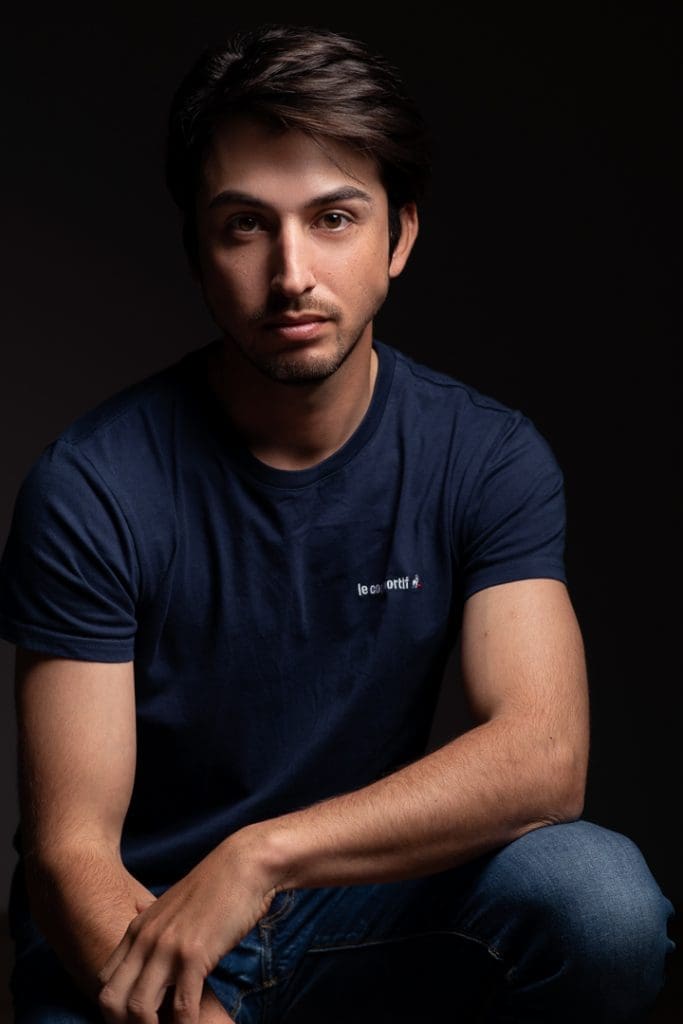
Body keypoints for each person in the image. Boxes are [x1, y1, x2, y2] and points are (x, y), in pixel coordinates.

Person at [0, 23, 675, 1024]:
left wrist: (260, 856)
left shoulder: (482, 455)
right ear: (195, 247)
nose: (290, 274)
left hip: (360, 918)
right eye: (243, 225)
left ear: (397, 236)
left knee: (597, 897)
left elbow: (543, 756)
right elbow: (68, 855)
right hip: (147, 934)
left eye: (331, 218)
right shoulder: (93, 486)